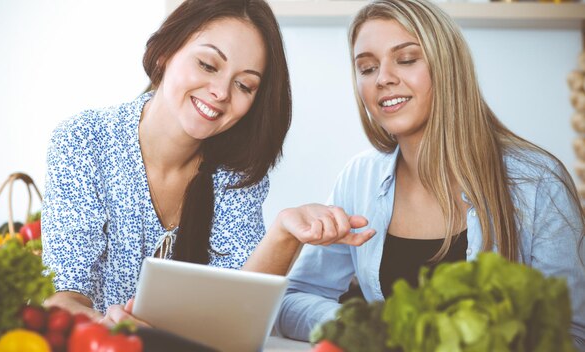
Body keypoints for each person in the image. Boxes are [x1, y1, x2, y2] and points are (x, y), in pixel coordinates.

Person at [41, 0, 375, 325]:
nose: (220, 92)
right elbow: (64, 297)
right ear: (165, 52)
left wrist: (285, 232)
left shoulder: (237, 173)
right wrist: (113, 333)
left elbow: (237, 313)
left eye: (244, 84)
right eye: (208, 65)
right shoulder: (84, 140)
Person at [276, 0, 585, 349]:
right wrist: (371, 327)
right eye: (366, 68)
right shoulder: (358, 178)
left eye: (406, 60)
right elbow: (292, 301)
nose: (384, 79)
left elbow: (572, 333)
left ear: (448, 67)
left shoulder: (538, 182)